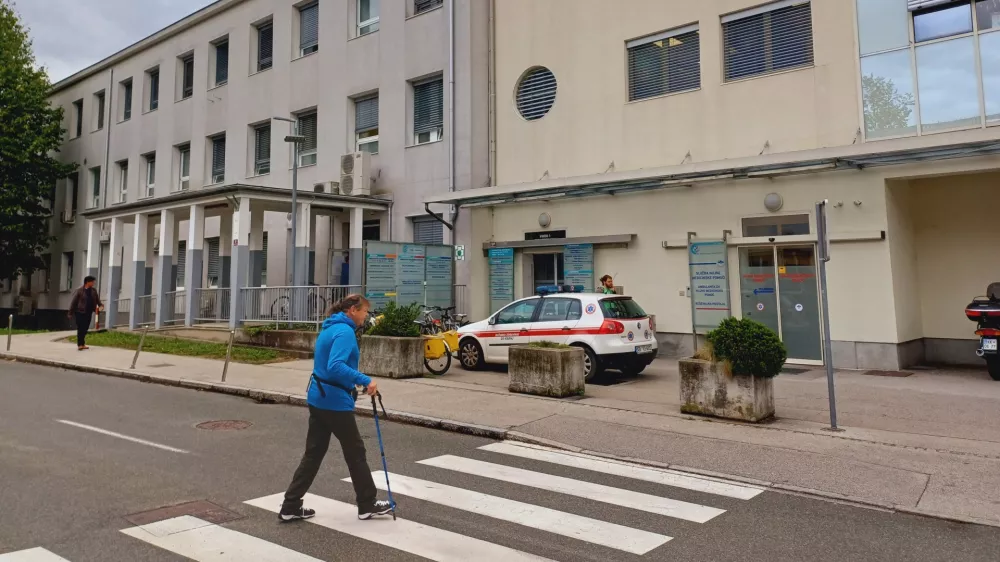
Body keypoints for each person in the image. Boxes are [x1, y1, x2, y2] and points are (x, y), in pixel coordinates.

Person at [279, 294, 393, 522]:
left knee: (313, 454)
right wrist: (365, 380)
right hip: (334, 401)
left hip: (318, 398)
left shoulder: (330, 327)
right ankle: (367, 503)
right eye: (364, 311)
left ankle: (290, 505)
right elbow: (335, 365)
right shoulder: (345, 332)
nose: (366, 316)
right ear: (352, 310)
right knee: (355, 452)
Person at [68, 276, 102, 350]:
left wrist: (100, 305)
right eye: (92, 281)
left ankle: (82, 344)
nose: (93, 283)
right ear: (87, 282)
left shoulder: (93, 290)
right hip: (79, 312)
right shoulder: (79, 290)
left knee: (85, 328)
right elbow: (74, 302)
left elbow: (97, 299)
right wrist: (70, 313)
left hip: (88, 312)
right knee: (80, 328)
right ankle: (80, 344)